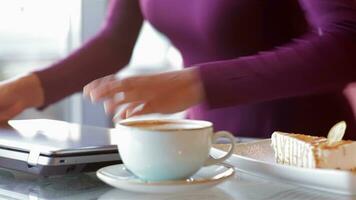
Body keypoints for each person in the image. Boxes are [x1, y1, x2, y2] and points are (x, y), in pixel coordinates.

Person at [1, 0, 356, 139]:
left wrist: (198, 83)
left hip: (309, 157)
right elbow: (115, 40)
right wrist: (26, 89)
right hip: (203, 152)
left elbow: (347, 41)